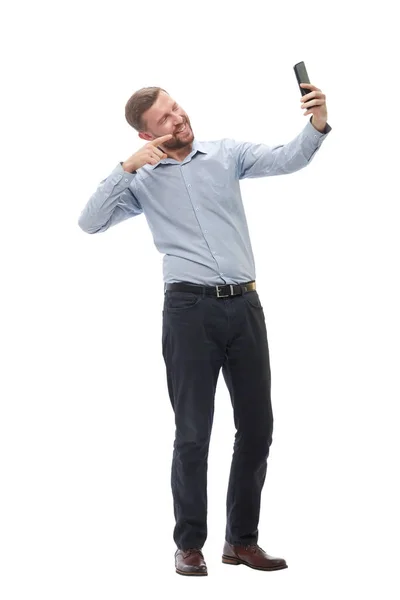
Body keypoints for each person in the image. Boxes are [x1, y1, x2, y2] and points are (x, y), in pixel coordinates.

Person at [78, 83, 331, 576]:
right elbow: (90, 222)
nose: (177, 118)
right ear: (145, 133)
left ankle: (242, 541)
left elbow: (288, 158)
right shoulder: (142, 180)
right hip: (188, 312)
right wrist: (126, 167)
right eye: (164, 117)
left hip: (245, 305)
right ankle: (189, 544)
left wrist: (317, 124)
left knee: (258, 427)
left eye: (176, 107)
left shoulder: (226, 154)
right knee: (193, 432)